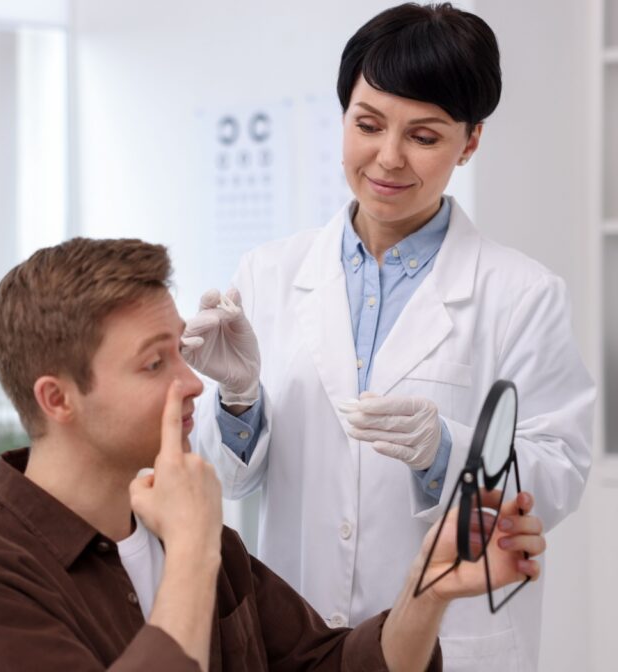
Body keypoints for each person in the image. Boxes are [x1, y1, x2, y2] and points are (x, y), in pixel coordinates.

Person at [0, 237, 547, 672]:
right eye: (154, 363)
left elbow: (330, 665)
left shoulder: (198, 543)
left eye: (181, 354)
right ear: (58, 398)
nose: (191, 383)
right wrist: (191, 552)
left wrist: (427, 587)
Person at [183, 3, 595, 670]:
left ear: (471, 142)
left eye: (425, 137)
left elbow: (560, 472)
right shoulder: (268, 272)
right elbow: (231, 479)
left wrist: (446, 452)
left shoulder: (522, 294)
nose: (388, 158)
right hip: (298, 627)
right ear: (343, 116)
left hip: (451, 643)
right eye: (367, 125)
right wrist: (236, 399)